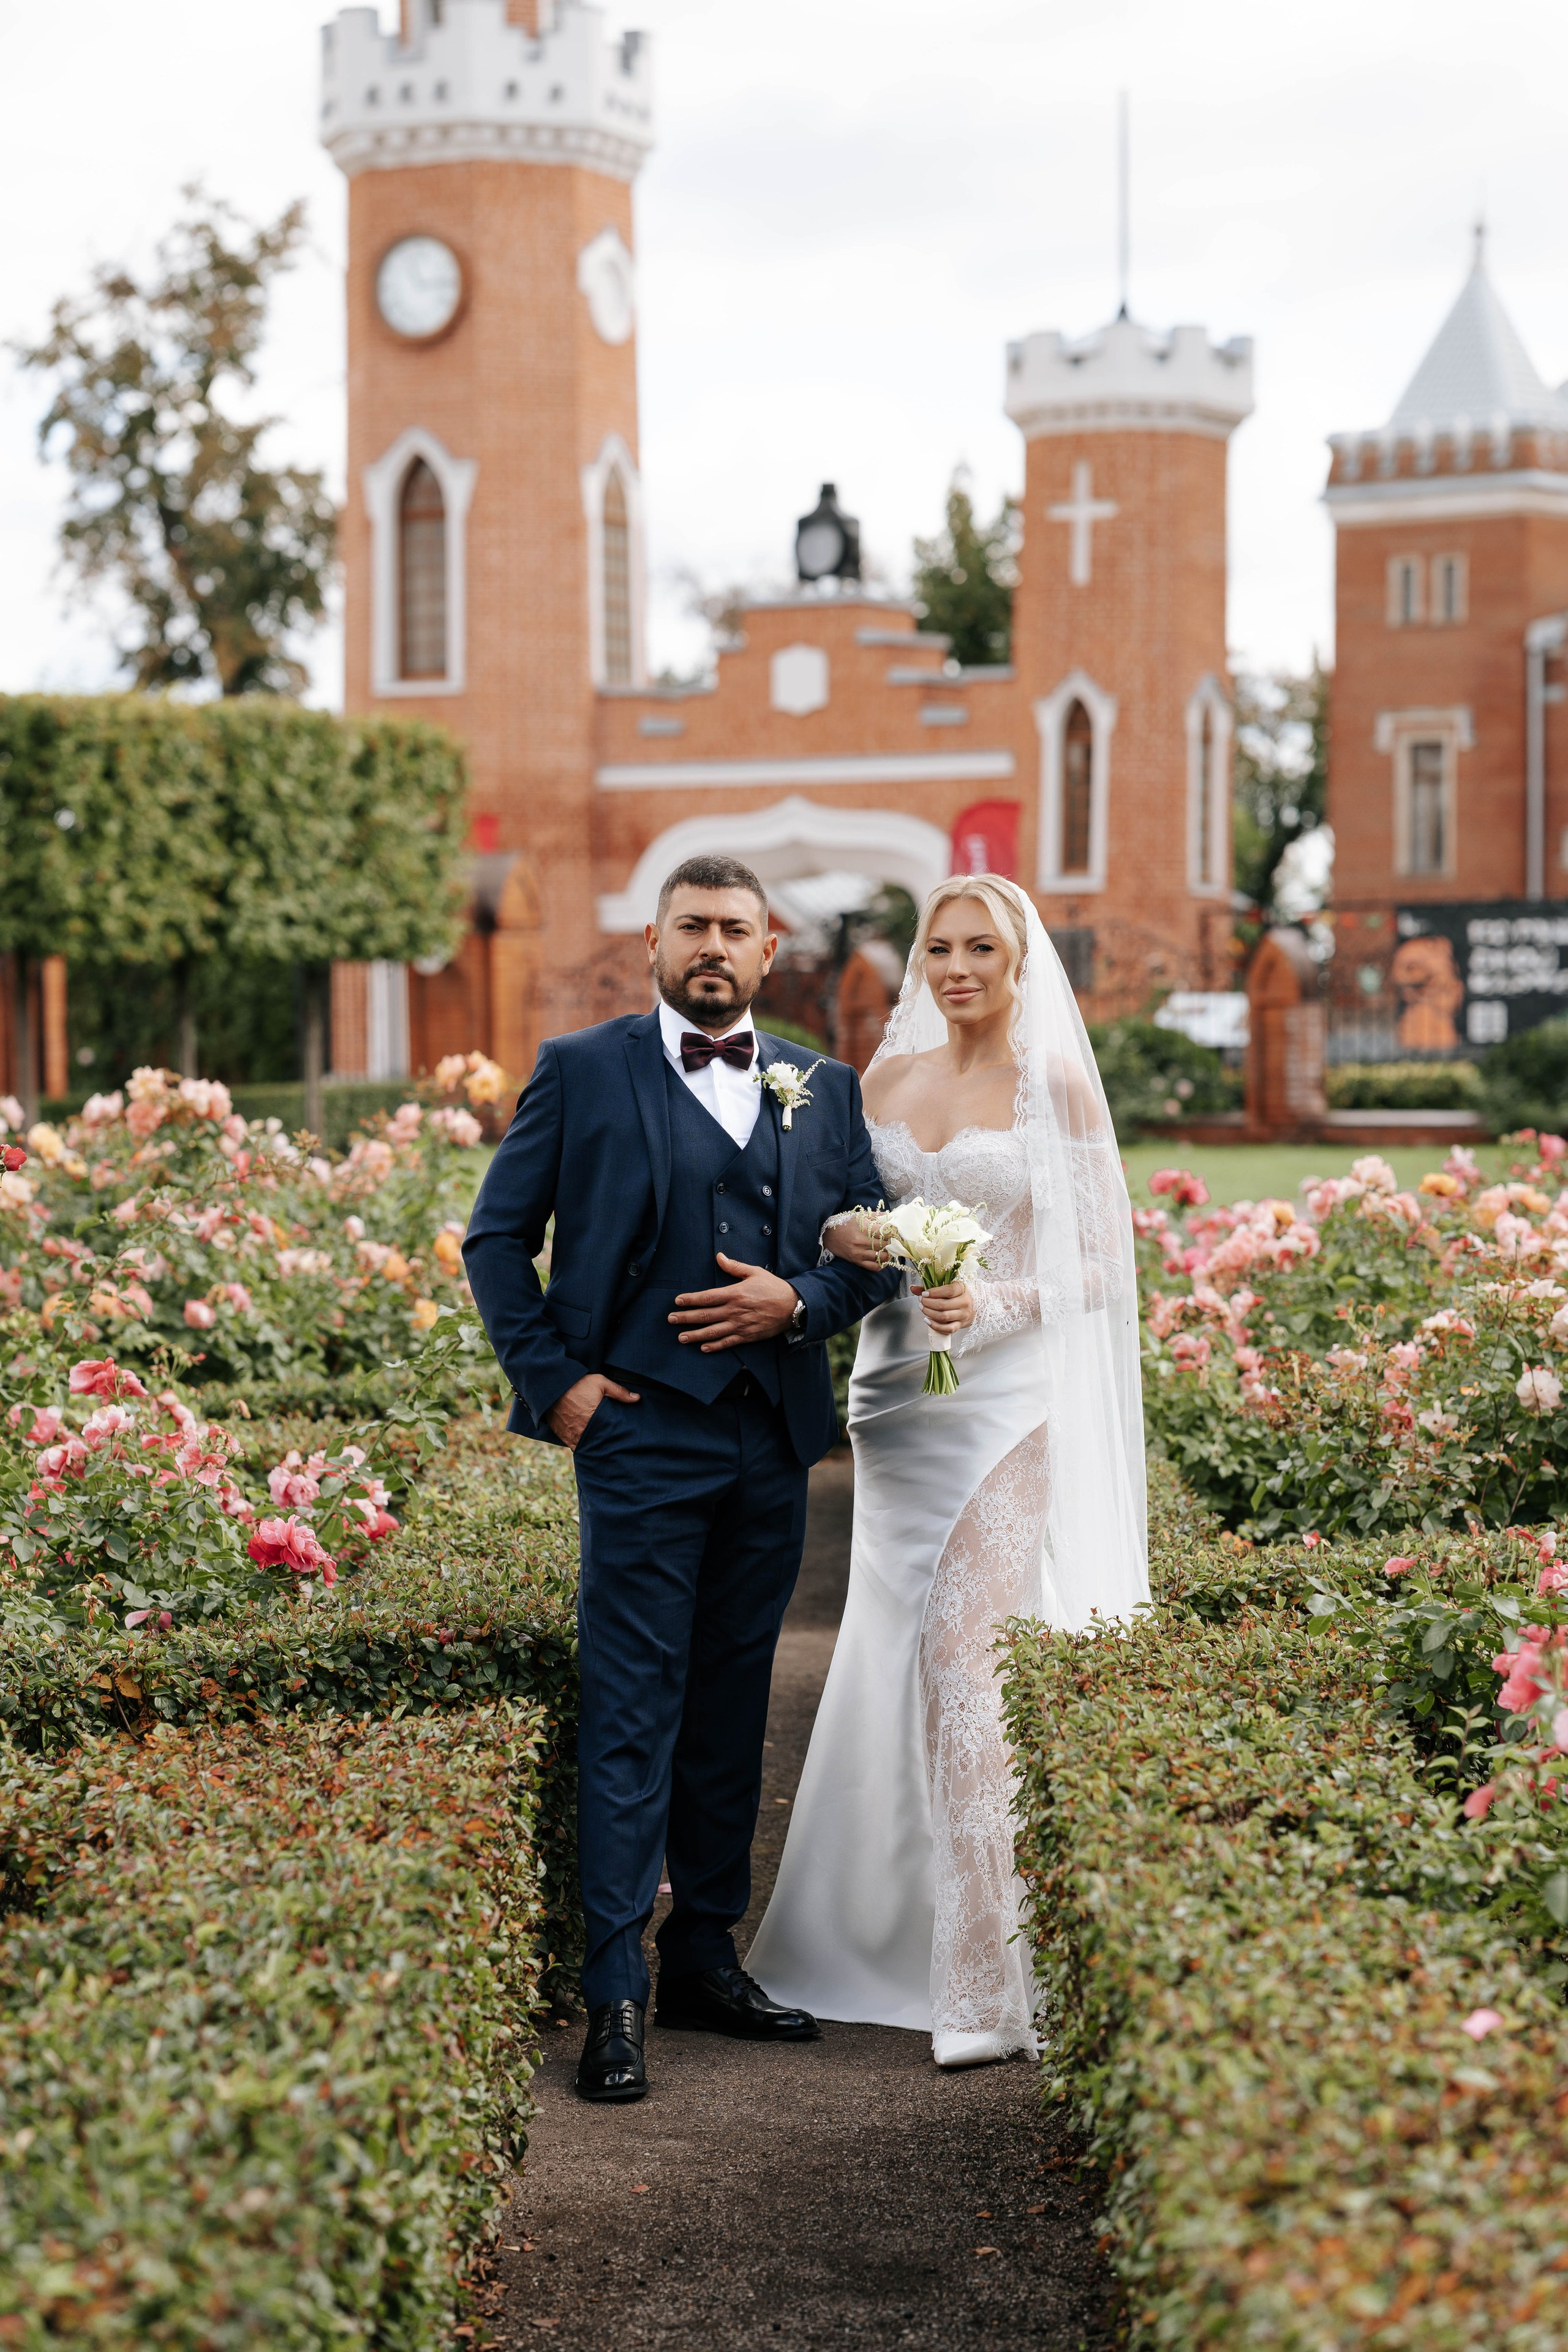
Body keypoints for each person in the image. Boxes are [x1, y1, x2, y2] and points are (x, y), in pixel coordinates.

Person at [462, 854, 899, 2103]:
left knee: (727, 1708)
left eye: (735, 930)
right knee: (631, 1708)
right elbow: (497, 1238)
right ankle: (615, 1991)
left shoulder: (824, 1086)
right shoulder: (583, 1069)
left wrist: (798, 1301)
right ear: (652, 942)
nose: (712, 946)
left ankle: (704, 1955)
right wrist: (560, 1388)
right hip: (638, 1435)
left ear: (772, 953)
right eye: (691, 926)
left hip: (770, 1443)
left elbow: (870, 1257)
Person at [746, 875, 1148, 2068]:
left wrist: (999, 1298)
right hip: (895, 1401)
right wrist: (846, 1237)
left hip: (1002, 1398)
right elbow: (825, 1218)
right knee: (888, 1648)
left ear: (1020, 962)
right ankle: (869, 1937)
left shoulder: (1052, 1084)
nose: (959, 964)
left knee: (966, 1657)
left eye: (983, 947)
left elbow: (1103, 1271)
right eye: (941, 945)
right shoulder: (878, 1083)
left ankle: (987, 1979)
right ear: (917, 959)